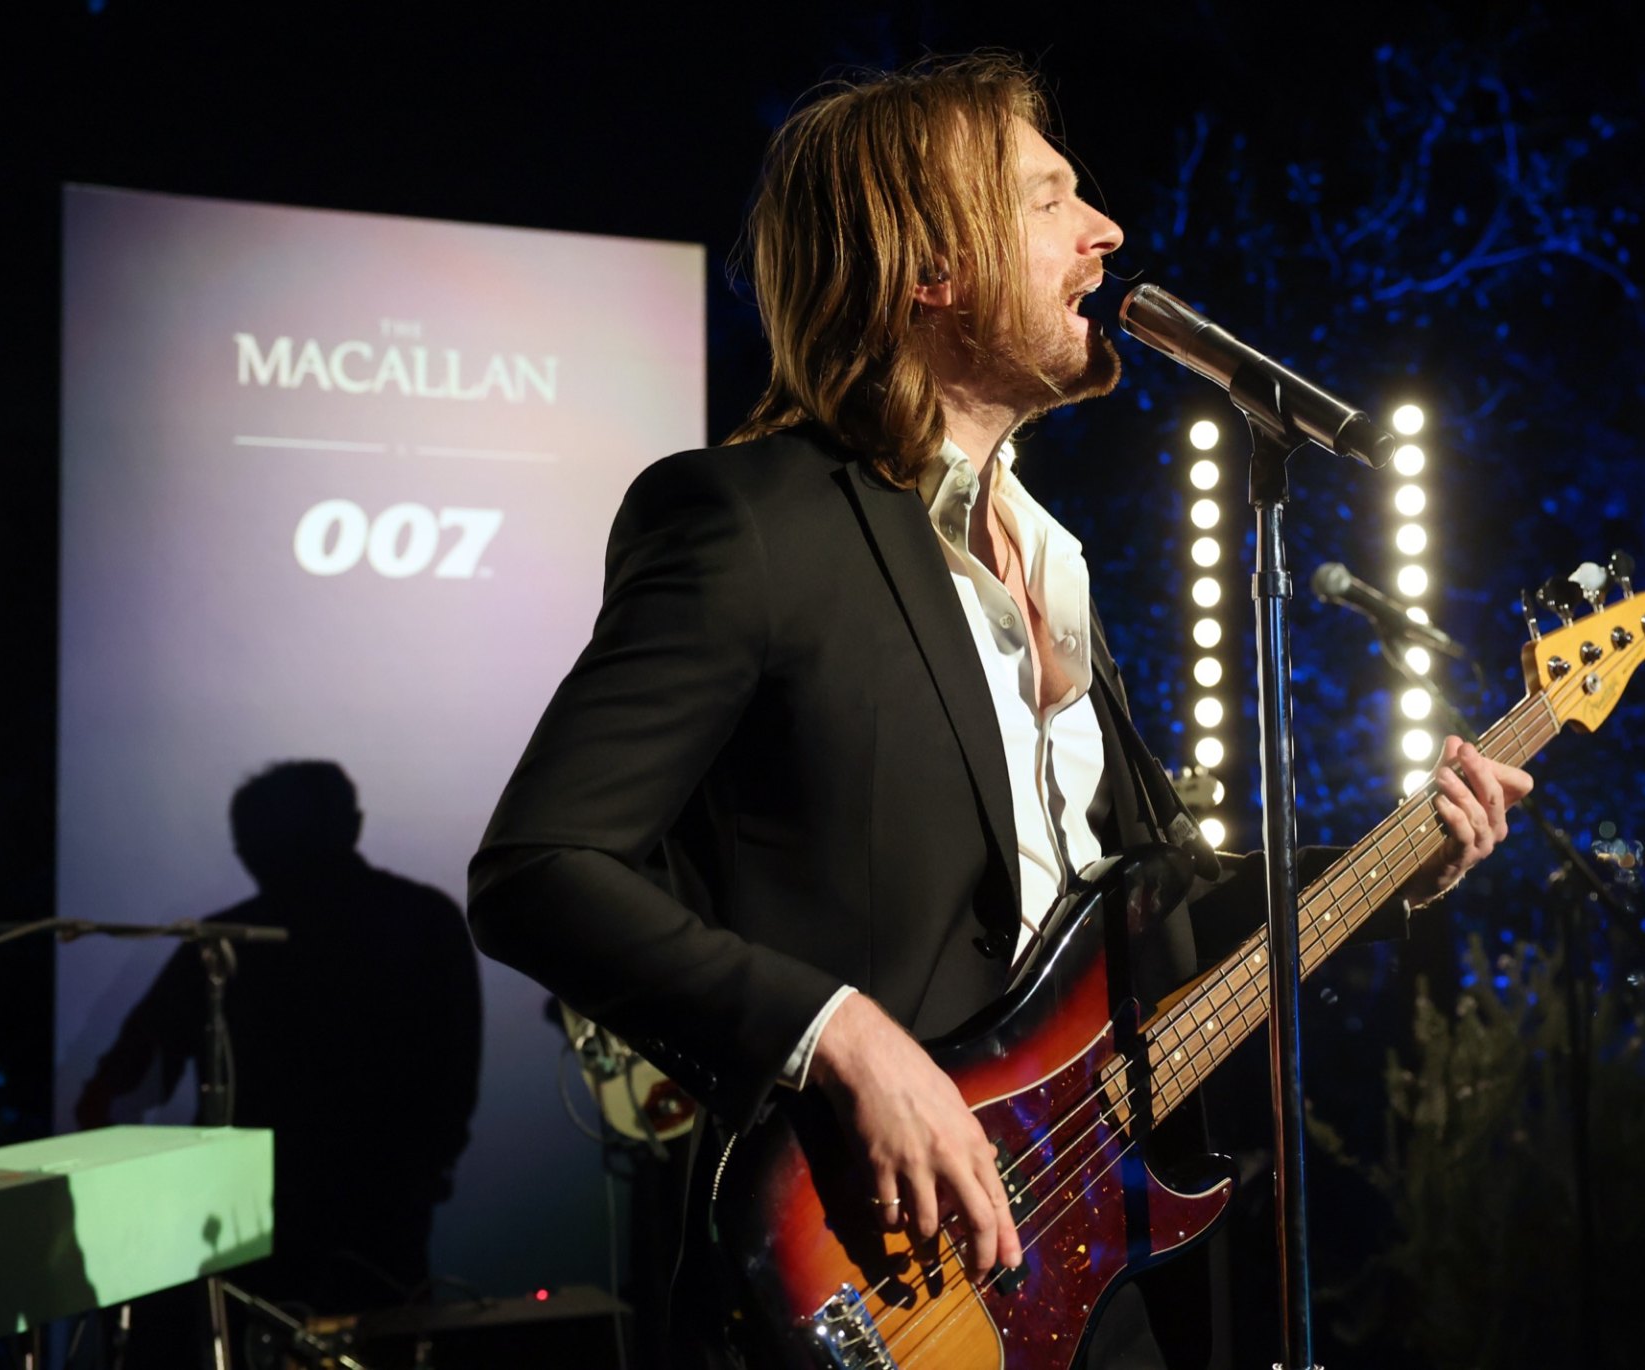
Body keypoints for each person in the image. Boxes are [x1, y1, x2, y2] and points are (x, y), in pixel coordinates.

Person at [468, 54, 1531, 1368]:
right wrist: (833, 1033)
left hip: (1084, 1268)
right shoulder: (750, 522)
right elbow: (537, 868)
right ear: (930, 266)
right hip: (870, 1264)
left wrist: (1393, 861)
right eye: (1048, 199)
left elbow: (1138, 926)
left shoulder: (1055, 562)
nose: (1106, 231)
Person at [78, 761, 483, 1316]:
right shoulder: (425, 919)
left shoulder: (219, 945)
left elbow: (122, 1079)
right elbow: (456, 1069)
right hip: (382, 1209)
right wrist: (427, 1169)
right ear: (352, 825)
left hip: (250, 1219)